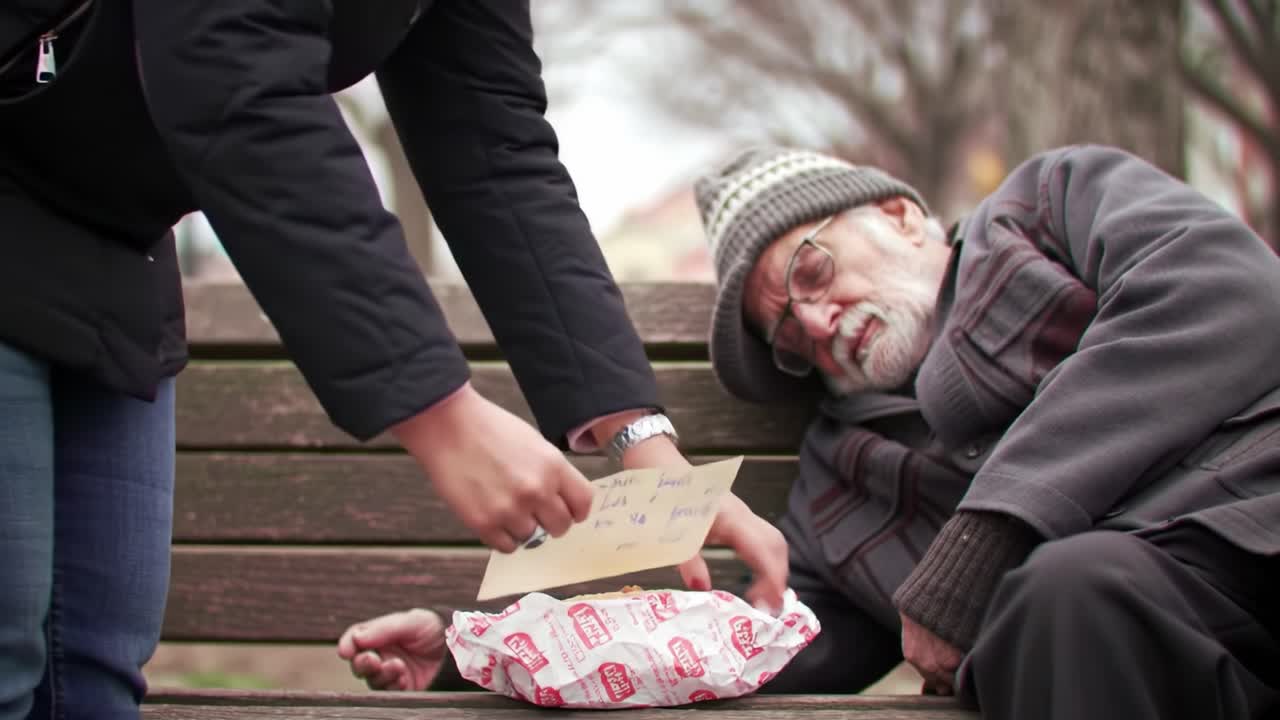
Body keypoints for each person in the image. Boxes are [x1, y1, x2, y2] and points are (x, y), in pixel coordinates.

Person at [0, 3, 786, 719]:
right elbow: (230, 64)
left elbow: (491, 142)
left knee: (92, 678)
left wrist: (642, 443)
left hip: (113, 254)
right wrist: (440, 414)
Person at [339, 144, 1280, 720]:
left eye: (816, 274)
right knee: (1070, 597)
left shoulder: (1048, 210)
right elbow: (754, 635)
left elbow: (1225, 294)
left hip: (1253, 532)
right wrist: (474, 650)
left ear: (905, 219)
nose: (817, 325)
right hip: (1118, 648)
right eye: (787, 334)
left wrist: (983, 541)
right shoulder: (843, 478)